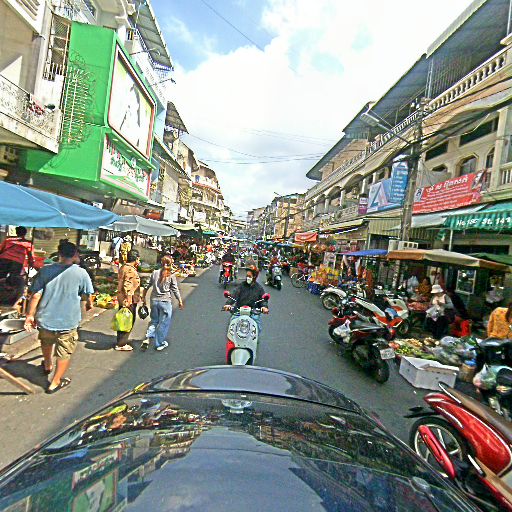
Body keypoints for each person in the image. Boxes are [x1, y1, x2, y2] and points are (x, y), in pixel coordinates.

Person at [24, 241, 94, 394]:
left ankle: (47, 364)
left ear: (59, 254)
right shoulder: (81, 273)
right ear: (75, 254)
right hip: (68, 321)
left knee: (46, 341)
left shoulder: (45, 270)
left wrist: (29, 315)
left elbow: (35, 295)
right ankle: (55, 382)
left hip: (45, 319)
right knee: (64, 351)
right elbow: (87, 295)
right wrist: (89, 304)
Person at [140, 256, 184, 351]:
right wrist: (180, 301)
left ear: (161, 262)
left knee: (154, 321)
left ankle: (147, 337)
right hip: (165, 302)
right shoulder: (171, 275)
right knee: (163, 323)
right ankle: (159, 343)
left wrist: (143, 297)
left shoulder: (155, 273)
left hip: (154, 301)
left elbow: (147, 286)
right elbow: (175, 289)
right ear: (171, 264)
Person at [223, 266, 268, 331]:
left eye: (249, 276)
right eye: (247, 276)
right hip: (239, 312)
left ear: (254, 276)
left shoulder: (259, 288)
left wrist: (264, 307)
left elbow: (263, 300)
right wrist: (228, 304)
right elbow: (234, 295)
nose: (247, 278)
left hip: (253, 313)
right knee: (231, 327)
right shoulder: (241, 286)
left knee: (258, 328)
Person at [115, 249, 142, 351]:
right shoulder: (130, 270)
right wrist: (129, 299)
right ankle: (121, 344)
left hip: (121, 297)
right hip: (128, 300)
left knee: (122, 320)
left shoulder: (123, 267)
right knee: (127, 321)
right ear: (136, 258)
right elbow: (128, 285)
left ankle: (120, 341)